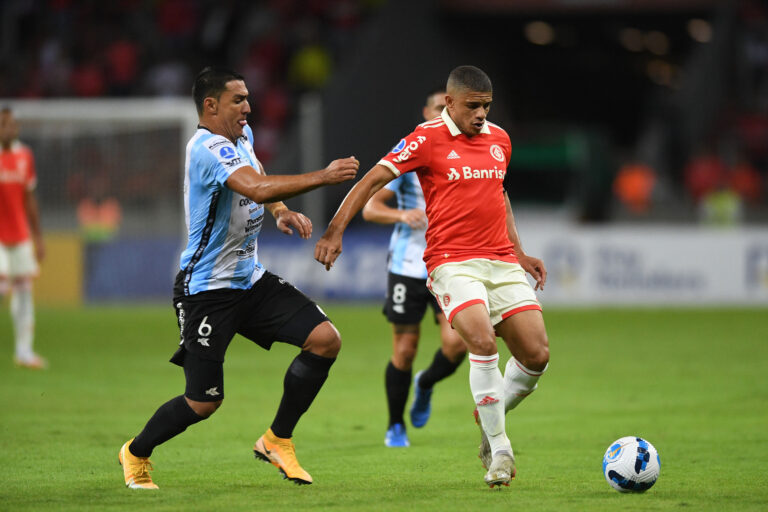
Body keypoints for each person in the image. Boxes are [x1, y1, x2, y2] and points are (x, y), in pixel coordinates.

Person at [118, 67, 359, 490]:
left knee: (325, 340)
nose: (248, 106)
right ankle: (136, 452)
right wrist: (324, 176)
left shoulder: (240, 136)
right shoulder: (207, 148)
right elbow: (256, 187)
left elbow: (260, 182)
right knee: (203, 402)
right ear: (211, 105)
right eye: (238, 100)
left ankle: (277, 440)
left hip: (250, 280)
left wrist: (281, 211)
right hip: (207, 291)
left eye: (247, 97)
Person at [315, 66, 550, 488]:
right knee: (480, 341)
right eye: (473, 106)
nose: (481, 114)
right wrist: (335, 229)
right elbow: (372, 180)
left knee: (537, 355)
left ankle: (490, 414)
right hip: (451, 261)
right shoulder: (425, 138)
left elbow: (499, 195)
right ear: (450, 102)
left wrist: (518, 252)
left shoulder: (500, 139)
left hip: (499, 259)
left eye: (487, 106)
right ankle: (500, 449)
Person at [361, 88, 466, 448]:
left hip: (448, 264)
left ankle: (426, 382)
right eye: (438, 108)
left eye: (449, 109)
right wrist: (402, 214)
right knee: (405, 350)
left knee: (457, 345)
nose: (443, 114)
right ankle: (395, 425)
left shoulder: (465, 153)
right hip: (408, 265)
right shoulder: (409, 153)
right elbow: (371, 207)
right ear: (426, 112)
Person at [0, 106, 46, 370]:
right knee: (2, 286)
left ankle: (24, 351)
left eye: (11, 124)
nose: (8, 129)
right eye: (3, 124)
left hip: (19, 235)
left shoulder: (24, 155)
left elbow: (29, 198)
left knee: (24, 293)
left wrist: (38, 237)